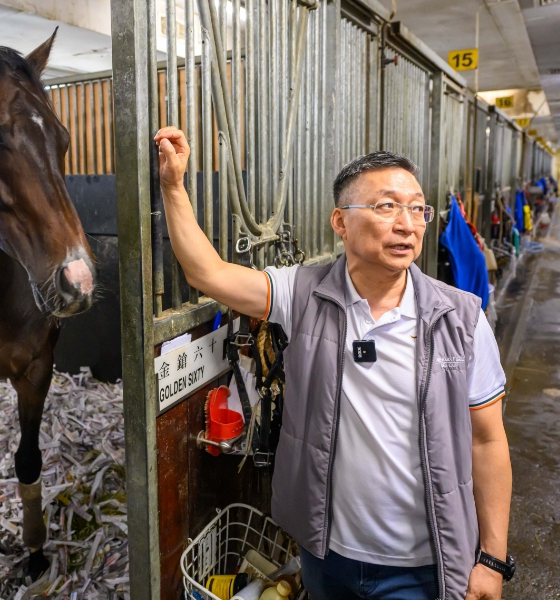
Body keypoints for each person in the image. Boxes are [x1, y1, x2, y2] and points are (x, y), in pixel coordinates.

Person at [154, 126, 514, 600]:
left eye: (417, 208)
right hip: (327, 555)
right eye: (386, 207)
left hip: (423, 565)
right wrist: (173, 187)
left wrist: (492, 558)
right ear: (341, 222)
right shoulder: (304, 293)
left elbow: (488, 441)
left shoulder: (461, 318)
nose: (408, 224)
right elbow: (208, 273)